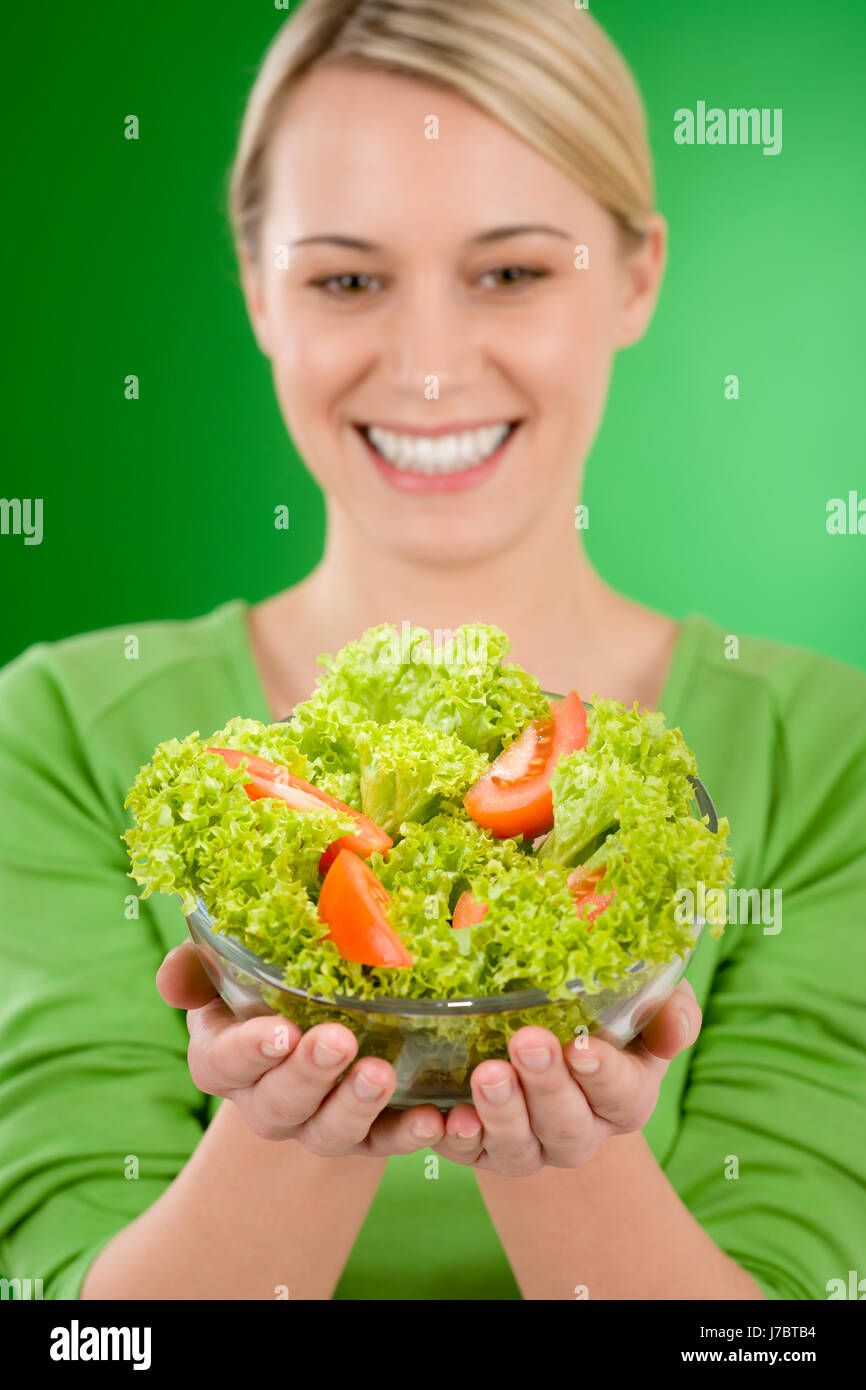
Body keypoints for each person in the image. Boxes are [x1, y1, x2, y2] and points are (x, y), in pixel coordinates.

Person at [1, 0, 864, 1302]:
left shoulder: (820, 752)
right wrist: (294, 1116)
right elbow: (78, 1333)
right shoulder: (61, 727)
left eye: (510, 271)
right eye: (347, 279)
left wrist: (552, 1137)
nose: (423, 367)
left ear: (635, 276)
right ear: (255, 292)